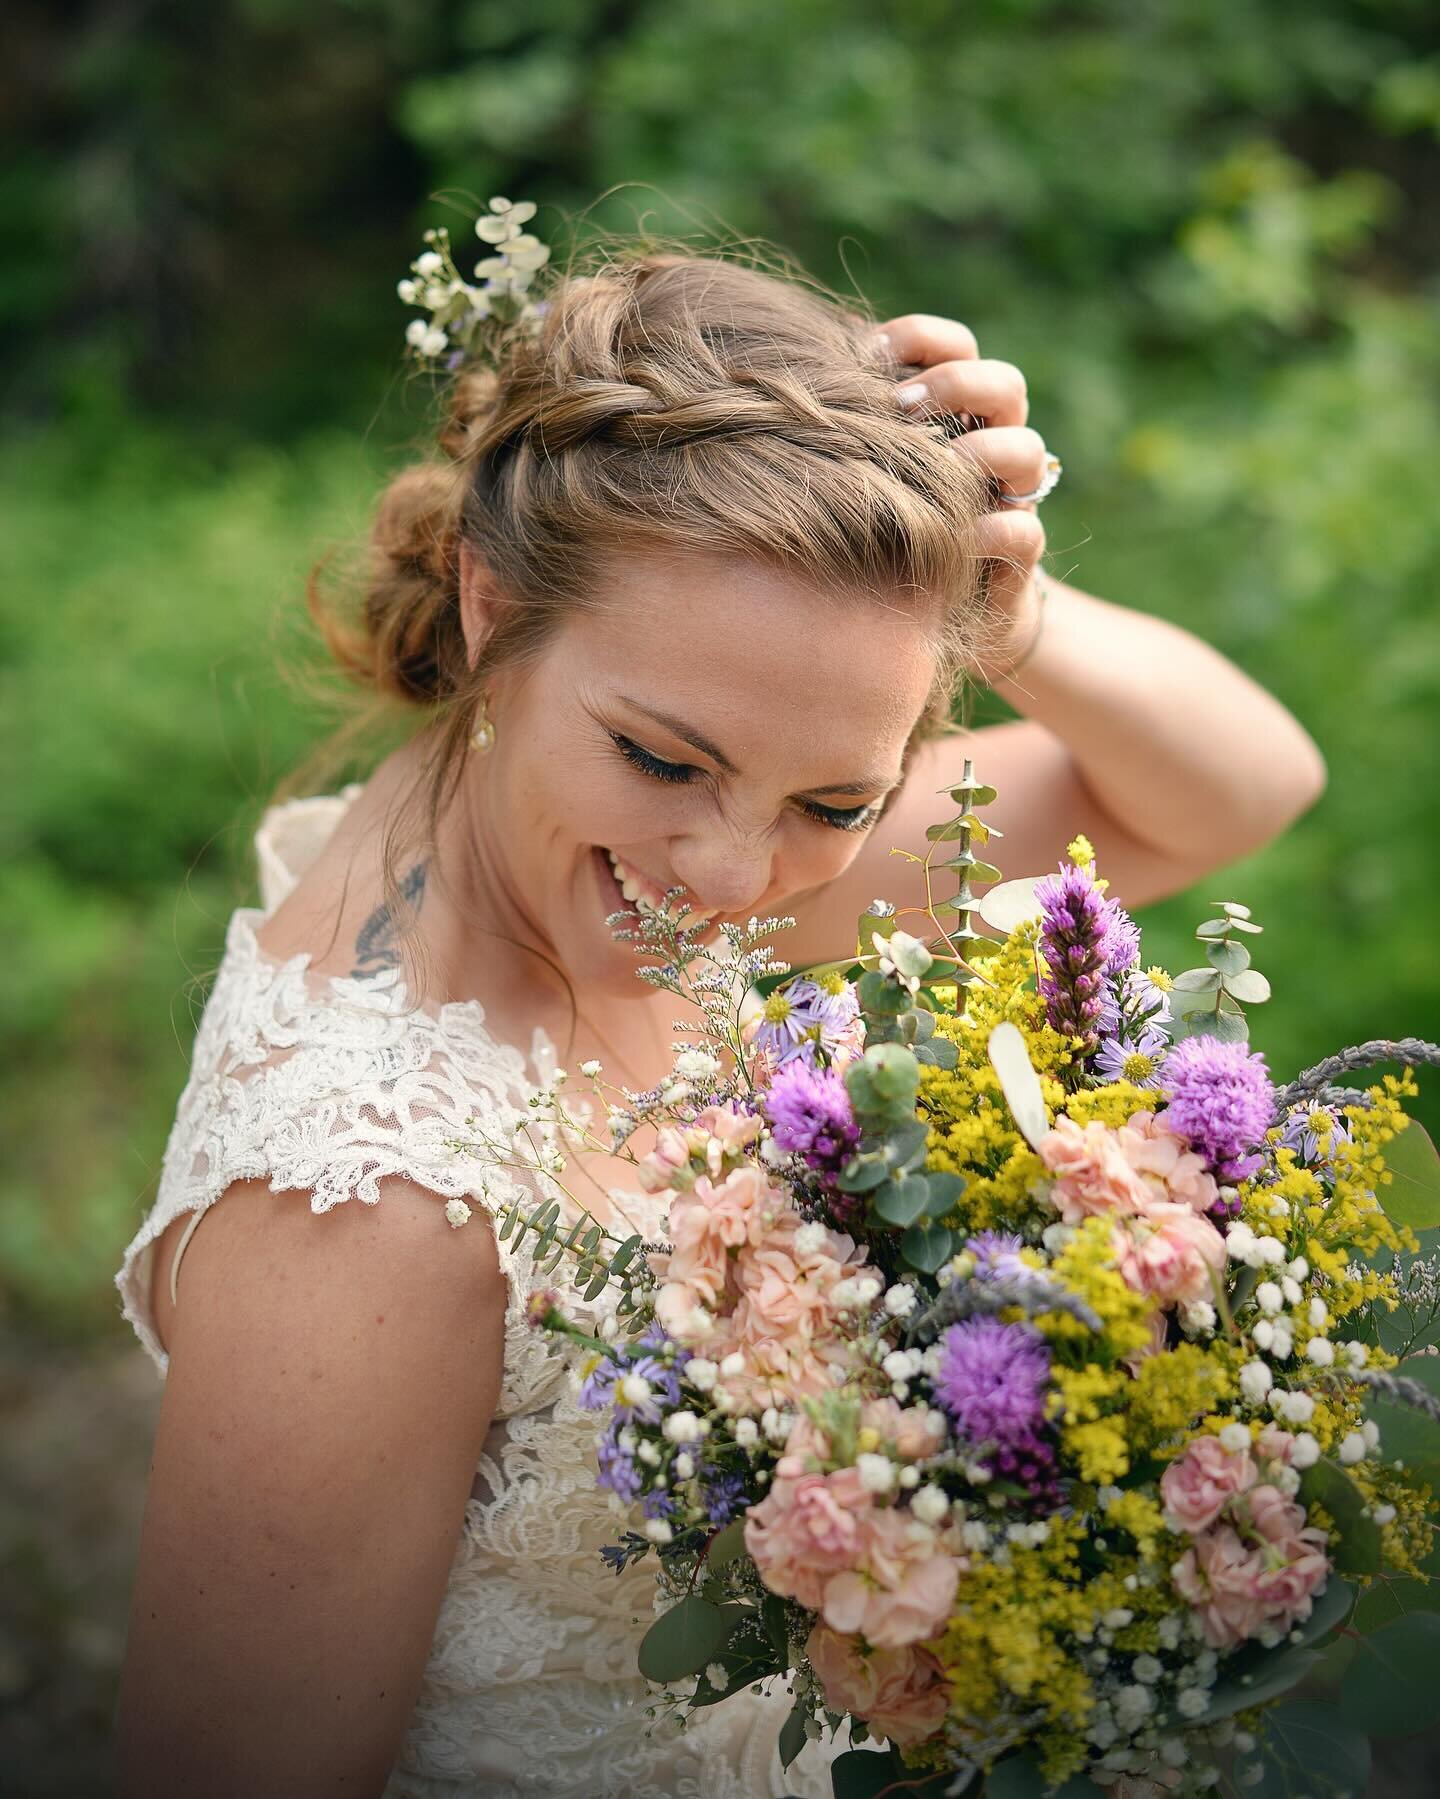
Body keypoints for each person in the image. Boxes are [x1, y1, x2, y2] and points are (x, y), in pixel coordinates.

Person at [112, 241, 1326, 1798]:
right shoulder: (367, 1212)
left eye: (840, 799)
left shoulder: (582, 854)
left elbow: (1242, 786)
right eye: (665, 759)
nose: (737, 877)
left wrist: (1007, 613)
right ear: (491, 603)